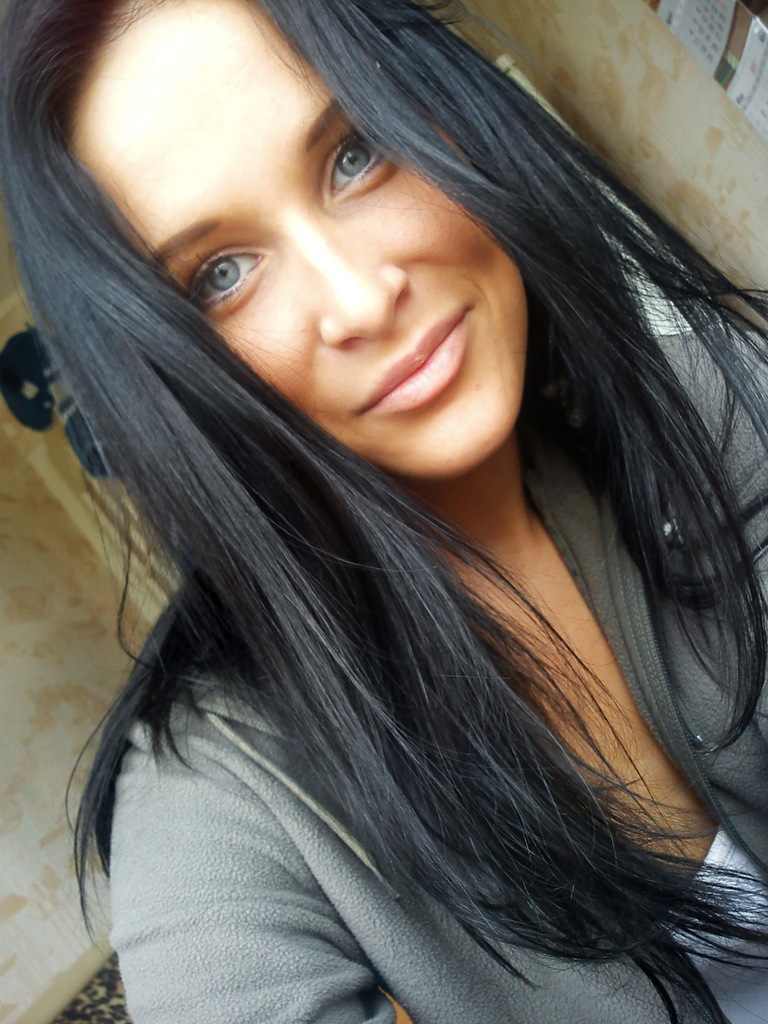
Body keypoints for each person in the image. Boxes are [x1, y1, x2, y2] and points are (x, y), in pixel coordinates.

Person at [2, 1, 768, 1020]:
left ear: (443, 108)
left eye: (354, 155)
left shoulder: (694, 395)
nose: (360, 301)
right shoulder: (222, 793)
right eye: (221, 277)